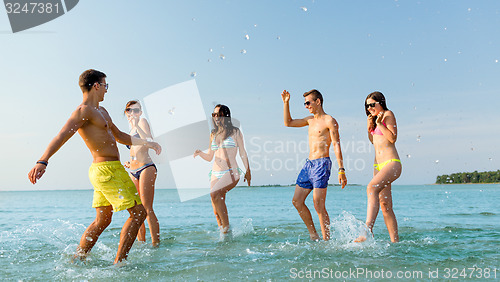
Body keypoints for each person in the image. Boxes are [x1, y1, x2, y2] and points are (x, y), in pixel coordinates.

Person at [27, 69, 162, 264]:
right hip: (108, 171)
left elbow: (120, 136)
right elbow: (61, 135)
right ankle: (119, 264)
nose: (107, 90)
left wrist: (146, 143)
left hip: (104, 171)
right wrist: (43, 160)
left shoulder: (102, 111)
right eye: (105, 85)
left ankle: (77, 258)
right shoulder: (83, 111)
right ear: (96, 86)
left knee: (103, 220)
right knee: (139, 213)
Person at [281, 89, 347, 241]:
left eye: (308, 102)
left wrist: (341, 169)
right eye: (304, 103)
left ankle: (326, 240)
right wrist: (286, 103)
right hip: (309, 165)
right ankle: (313, 234)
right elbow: (288, 122)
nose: (306, 106)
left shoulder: (329, 120)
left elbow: (336, 144)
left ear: (318, 102)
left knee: (318, 204)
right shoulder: (309, 120)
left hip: (322, 164)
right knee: (297, 201)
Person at [193, 104, 251, 234]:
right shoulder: (213, 133)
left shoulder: (235, 131)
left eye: (218, 114)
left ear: (225, 116)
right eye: (213, 115)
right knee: (216, 206)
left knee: (214, 194)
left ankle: (227, 230)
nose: (216, 117)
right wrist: (200, 153)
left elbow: (242, 152)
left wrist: (248, 171)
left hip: (231, 171)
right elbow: (209, 156)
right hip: (215, 173)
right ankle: (223, 234)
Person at [355, 91, 401, 243]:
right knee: (385, 205)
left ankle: (367, 230)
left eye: (372, 105)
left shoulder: (388, 114)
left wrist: (380, 123)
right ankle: (395, 242)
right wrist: (370, 127)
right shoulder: (374, 120)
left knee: (371, 188)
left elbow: (392, 138)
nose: (369, 108)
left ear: (380, 102)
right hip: (378, 165)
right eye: (367, 106)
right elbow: (375, 141)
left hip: (391, 163)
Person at [123, 100, 160, 247]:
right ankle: (140, 244)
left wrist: (137, 123)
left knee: (147, 207)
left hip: (146, 167)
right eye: (129, 110)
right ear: (126, 112)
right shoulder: (129, 129)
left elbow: (148, 140)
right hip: (133, 170)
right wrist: (129, 162)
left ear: (140, 112)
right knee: (137, 210)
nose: (133, 113)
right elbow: (134, 150)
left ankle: (156, 244)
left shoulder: (142, 122)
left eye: (136, 110)